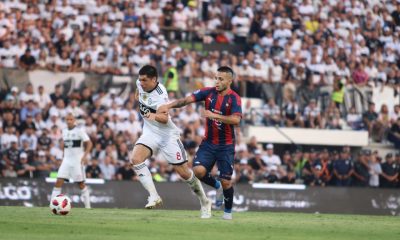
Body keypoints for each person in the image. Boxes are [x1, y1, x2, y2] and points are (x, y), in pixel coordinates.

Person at [159, 66, 242, 220]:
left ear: (229, 81)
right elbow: (185, 100)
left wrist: (214, 115)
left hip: (226, 145)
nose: (217, 81)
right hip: (209, 143)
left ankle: (228, 213)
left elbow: (236, 120)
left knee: (226, 181)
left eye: (221, 79)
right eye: (216, 78)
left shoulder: (234, 98)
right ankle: (215, 186)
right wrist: (168, 106)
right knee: (198, 171)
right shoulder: (208, 92)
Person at [130, 65, 211, 218]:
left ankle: (205, 201)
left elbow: (164, 118)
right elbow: (137, 95)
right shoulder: (139, 84)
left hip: (167, 135)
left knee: (184, 173)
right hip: (150, 132)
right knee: (135, 159)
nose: (141, 83)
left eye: (144, 80)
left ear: (154, 80)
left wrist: (148, 114)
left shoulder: (160, 95)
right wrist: (141, 104)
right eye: (140, 79)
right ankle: (153, 196)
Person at [50, 113, 93, 208]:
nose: (69, 121)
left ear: (74, 120)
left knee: (81, 184)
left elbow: (89, 143)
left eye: (70, 119)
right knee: (58, 181)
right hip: (66, 161)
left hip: (77, 161)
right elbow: (65, 145)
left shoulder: (79, 131)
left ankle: (88, 207)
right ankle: (52, 205)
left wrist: (85, 156)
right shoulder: (64, 131)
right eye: (67, 119)